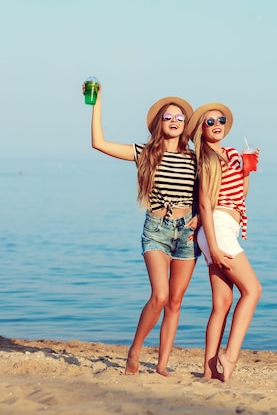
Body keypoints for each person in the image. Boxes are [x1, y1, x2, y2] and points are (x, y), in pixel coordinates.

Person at [88, 86, 200, 376]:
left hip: (186, 234)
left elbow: (209, 194)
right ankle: (135, 349)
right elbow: (98, 143)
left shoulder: (195, 158)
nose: (174, 121)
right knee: (160, 296)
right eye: (167, 116)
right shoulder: (145, 153)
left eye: (179, 117)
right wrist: (96, 104)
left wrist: (199, 218)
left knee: (176, 301)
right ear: (159, 123)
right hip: (156, 230)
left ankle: (162, 364)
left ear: (185, 124)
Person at [187, 103, 262, 381]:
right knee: (253, 291)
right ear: (201, 130)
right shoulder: (205, 158)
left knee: (222, 303)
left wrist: (247, 169)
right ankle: (228, 357)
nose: (216, 124)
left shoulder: (231, 154)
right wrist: (215, 247)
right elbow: (206, 205)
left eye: (220, 120)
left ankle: (209, 372)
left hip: (223, 227)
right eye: (209, 122)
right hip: (216, 228)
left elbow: (240, 196)